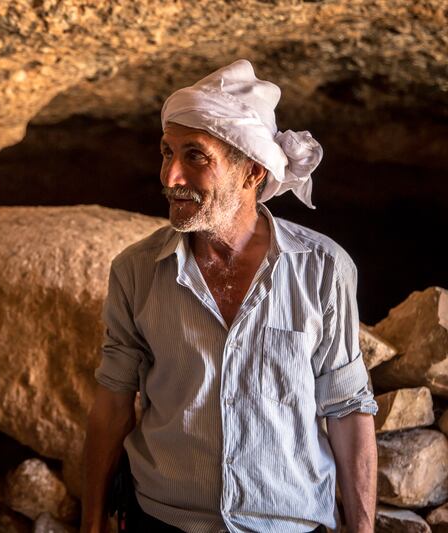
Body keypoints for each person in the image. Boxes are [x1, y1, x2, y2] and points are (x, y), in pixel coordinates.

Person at [81, 59, 378, 533]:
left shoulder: (322, 269)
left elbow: (346, 408)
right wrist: (91, 521)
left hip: (289, 523)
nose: (171, 175)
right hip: (162, 520)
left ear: (252, 172)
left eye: (195, 156)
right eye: (166, 152)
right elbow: (114, 400)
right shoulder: (136, 271)